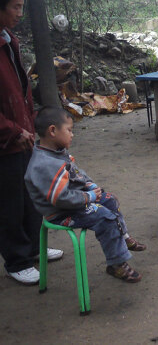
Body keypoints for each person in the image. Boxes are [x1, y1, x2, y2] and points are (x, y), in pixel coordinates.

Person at [25, 107, 146, 282]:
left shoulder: (57, 152)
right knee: (105, 218)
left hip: (75, 202)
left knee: (110, 200)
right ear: (52, 131)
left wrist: (91, 186)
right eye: (69, 130)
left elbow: (76, 173)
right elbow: (60, 199)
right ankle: (117, 264)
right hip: (61, 213)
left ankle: (124, 237)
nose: (72, 135)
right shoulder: (45, 165)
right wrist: (89, 197)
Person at [0, 0, 63, 285]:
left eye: (22, 6)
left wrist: (29, 124)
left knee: (31, 196)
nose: (19, 13)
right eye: (15, 7)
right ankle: (16, 260)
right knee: (10, 202)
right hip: (5, 143)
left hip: (23, 138)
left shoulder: (10, 41)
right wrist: (12, 130)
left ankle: (34, 248)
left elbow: (19, 92)